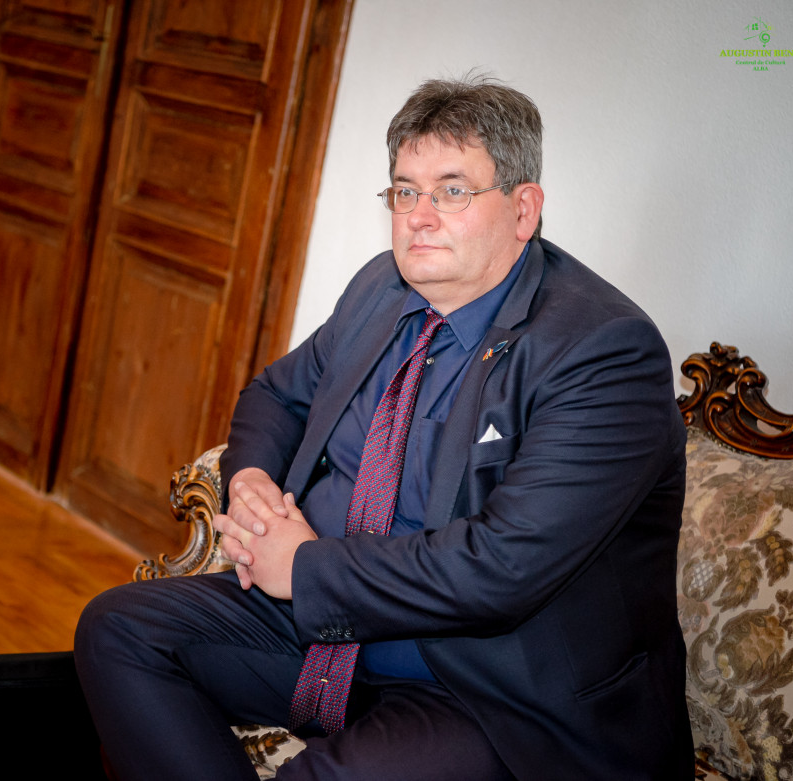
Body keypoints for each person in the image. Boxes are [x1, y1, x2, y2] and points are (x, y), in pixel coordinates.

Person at [74, 74, 692, 781]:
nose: (419, 217)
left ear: (523, 209)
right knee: (119, 630)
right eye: (405, 191)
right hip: (327, 632)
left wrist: (303, 569)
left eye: (452, 191)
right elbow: (279, 395)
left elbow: (502, 568)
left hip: (482, 686)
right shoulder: (382, 288)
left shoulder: (601, 350)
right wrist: (250, 484)